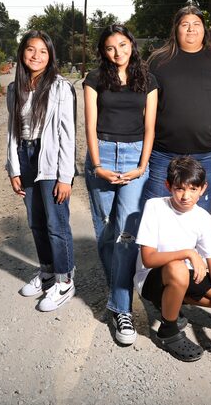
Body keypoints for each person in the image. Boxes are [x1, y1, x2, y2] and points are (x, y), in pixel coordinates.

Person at [84, 24, 158, 345]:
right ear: (103, 50)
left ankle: (121, 308)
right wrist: (98, 165)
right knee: (104, 228)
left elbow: (150, 126)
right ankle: (119, 290)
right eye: (111, 47)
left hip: (134, 158)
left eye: (124, 45)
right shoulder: (94, 79)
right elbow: (88, 124)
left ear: (132, 45)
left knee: (127, 233)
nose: (118, 53)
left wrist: (142, 165)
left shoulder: (148, 79)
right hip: (102, 153)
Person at [135, 156, 211, 362]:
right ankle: (169, 329)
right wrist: (188, 253)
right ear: (168, 186)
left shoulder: (202, 217)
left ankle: (172, 301)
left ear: (203, 189)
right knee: (178, 269)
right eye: (179, 189)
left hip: (181, 277)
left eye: (193, 189)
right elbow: (148, 259)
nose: (186, 196)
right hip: (152, 278)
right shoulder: (155, 207)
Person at [143, 5, 211, 214]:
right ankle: (156, 249)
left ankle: (194, 249)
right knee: (156, 208)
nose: (191, 29)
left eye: (196, 24)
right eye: (185, 24)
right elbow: (143, 102)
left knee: (198, 210)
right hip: (163, 153)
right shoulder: (159, 60)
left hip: (206, 153)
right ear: (176, 29)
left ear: (204, 29)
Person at [6, 30, 77, 312]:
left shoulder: (60, 87)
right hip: (25, 156)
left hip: (50, 159)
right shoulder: (15, 89)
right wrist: (13, 168)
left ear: (51, 56)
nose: (36, 56)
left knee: (56, 224)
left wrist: (65, 176)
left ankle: (65, 280)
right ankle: (47, 272)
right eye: (31, 50)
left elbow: (67, 134)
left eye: (43, 51)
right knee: (36, 222)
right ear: (22, 53)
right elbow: (12, 132)